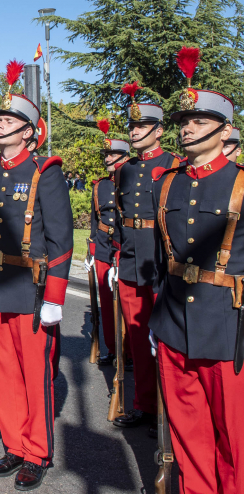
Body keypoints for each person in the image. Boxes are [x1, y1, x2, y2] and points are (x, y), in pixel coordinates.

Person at [150, 61, 243, 494]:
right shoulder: (166, 184)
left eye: (199, 121)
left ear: (225, 131)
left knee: (233, 439)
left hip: (226, 329)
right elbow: (160, 259)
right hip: (173, 325)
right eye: (184, 121)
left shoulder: (240, 184)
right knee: (188, 434)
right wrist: (156, 320)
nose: (187, 129)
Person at [0, 66, 73, 490]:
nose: (0, 124)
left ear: (29, 132)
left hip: (31, 289)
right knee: (4, 373)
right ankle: (14, 444)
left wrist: (55, 296)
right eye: (0, 119)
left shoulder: (44, 172)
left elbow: (62, 240)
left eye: (9, 120)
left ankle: (36, 453)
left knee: (35, 376)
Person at [111, 81, 177, 435]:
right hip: (131, 259)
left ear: (159, 130)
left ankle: (169, 410)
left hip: (159, 261)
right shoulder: (125, 170)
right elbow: (121, 216)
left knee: (164, 338)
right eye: (132, 126)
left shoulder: (174, 165)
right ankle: (145, 404)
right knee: (137, 338)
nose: (134, 132)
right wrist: (118, 255)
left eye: (142, 126)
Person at [84, 121, 128, 366]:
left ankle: (129, 351)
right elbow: (95, 219)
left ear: (125, 156)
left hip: (123, 248)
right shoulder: (101, 185)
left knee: (126, 303)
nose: (108, 158)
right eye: (107, 154)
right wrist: (91, 251)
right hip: (102, 246)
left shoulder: (131, 181)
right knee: (107, 299)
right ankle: (113, 347)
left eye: (112, 154)